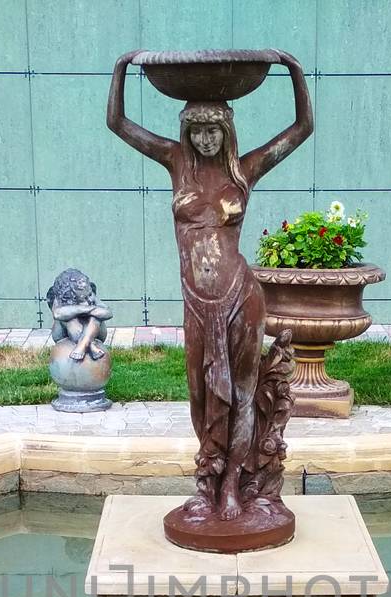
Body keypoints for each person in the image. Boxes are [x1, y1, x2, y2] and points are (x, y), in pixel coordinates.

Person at [107, 49, 312, 525]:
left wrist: (294, 71)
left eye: (212, 130)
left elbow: (301, 130)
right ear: (185, 132)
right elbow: (118, 124)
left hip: (242, 295)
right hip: (197, 304)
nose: (203, 138)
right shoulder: (176, 162)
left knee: (241, 392)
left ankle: (235, 487)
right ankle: (207, 482)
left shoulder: (244, 170)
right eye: (195, 130)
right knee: (201, 392)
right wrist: (121, 68)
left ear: (226, 132)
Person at [45, 268, 111, 361]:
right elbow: (57, 314)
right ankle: (89, 344)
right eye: (80, 285)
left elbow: (108, 312)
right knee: (70, 320)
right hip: (65, 333)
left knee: (95, 318)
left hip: (94, 331)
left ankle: (83, 344)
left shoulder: (90, 295)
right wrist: (85, 309)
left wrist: (89, 310)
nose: (88, 297)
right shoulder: (60, 298)